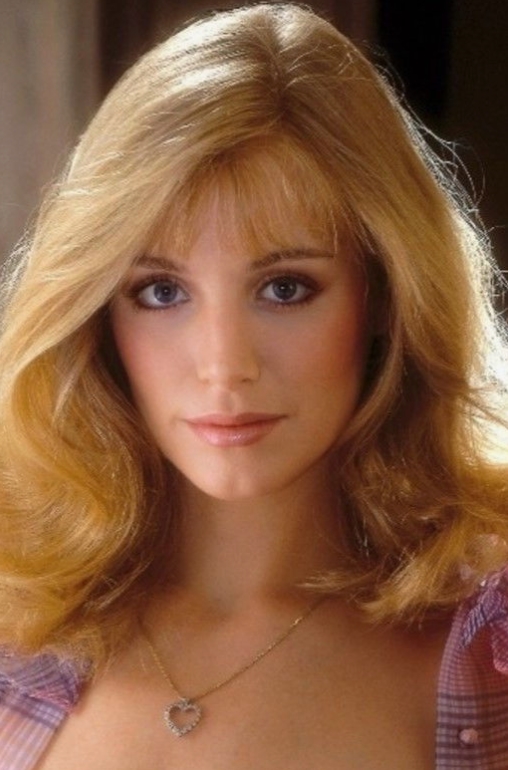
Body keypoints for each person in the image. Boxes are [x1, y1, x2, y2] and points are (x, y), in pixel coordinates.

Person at [0, 2, 507, 768]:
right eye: (162, 292)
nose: (223, 363)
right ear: (97, 316)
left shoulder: (484, 650)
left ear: (383, 296)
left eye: (285, 288)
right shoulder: (18, 624)